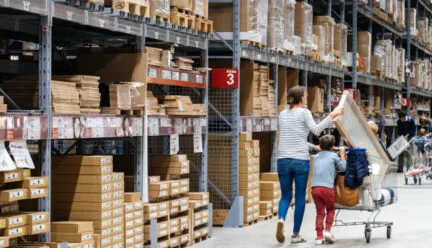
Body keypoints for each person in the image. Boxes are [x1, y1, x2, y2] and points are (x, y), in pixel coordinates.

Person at [276, 86, 344, 244]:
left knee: (285, 195)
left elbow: (293, 136)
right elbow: (316, 130)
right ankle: (295, 235)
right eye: (305, 96)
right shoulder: (304, 112)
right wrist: (332, 115)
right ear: (301, 98)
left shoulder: (282, 114)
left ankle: (281, 219)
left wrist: (313, 147)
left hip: (282, 160)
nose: (306, 98)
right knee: (300, 198)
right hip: (300, 161)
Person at [312, 135, 346, 245]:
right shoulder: (333, 156)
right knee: (331, 209)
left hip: (315, 188)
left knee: (320, 212)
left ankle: (319, 237)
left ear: (320, 146)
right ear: (332, 147)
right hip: (327, 188)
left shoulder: (316, 156)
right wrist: (342, 155)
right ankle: (327, 231)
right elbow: (343, 168)